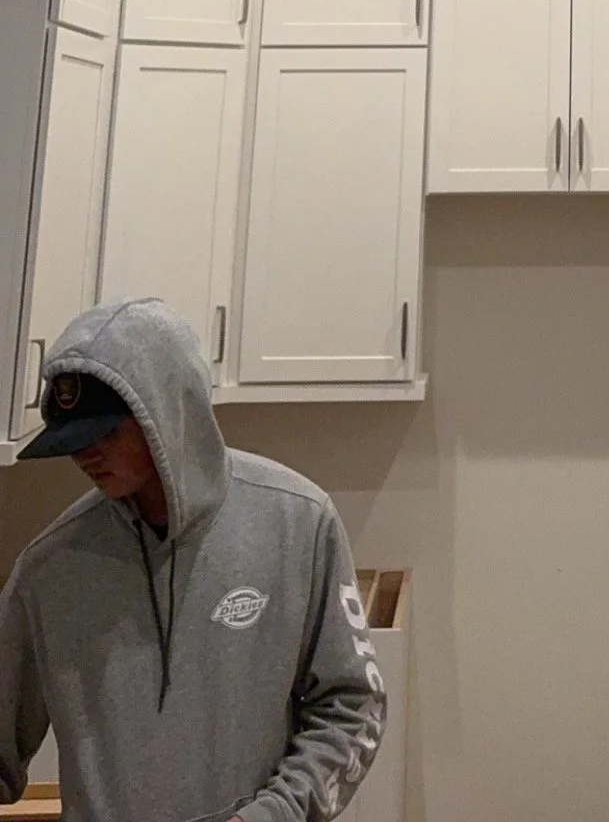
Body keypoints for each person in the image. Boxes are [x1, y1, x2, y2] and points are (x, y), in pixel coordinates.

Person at [0, 297, 386, 821]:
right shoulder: (48, 570)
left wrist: (275, 813)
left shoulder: (299, 523)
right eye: (72, 440)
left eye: (106, 433)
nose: (85, 456)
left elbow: (352, 709)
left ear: (168, 414)